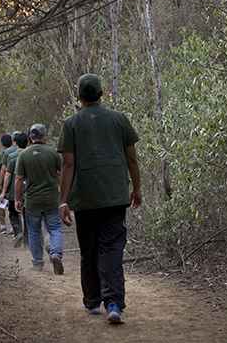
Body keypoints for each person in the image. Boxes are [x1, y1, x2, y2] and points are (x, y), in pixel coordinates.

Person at [58, 74, 141, 324]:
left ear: (80, 97)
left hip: (85, 198)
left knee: (89, 249)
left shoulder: (70, 124)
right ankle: (113, 302)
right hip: (115, 196)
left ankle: (93, 302)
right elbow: (132, 159)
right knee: (112, 249)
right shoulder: (119, 119)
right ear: (102, 95)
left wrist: (63, 201)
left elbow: (68, 163)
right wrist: (136, 188)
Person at [14, 124, 64, 274]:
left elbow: (18, 178)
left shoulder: (23, 155)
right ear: (44, 137)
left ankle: (37, 262)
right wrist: (63, 195)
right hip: (52, 200)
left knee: (34, 231)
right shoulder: (53, 153)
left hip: (33, 201)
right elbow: (61, 174)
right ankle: (55, 254)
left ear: (30, 138)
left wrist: (17, 199)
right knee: (54, 228)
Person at [0, 132, 28, 247]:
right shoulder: (29, 155)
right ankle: (28, 240)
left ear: (15, 142)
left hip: (13, 190)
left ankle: (18, 232)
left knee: (13, 213)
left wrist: (3, 191)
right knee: (28, 215)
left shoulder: (11, 157)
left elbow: (7, 175)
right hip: (28, 190)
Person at [0, 131, 20, 235]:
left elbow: (2, 171)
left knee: (8, 207)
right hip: (25, 187)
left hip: (11, 186)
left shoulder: (7, 154)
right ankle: (16, 229)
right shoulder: (27, 152)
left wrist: (0, 186)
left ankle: (5, 227)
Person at [0, 134, 13, 234]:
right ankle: (14, 228)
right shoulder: (17, 153)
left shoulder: (0, 156)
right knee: (13, 205)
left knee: (1, 205)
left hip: (3, 184)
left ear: (2, 144)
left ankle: (3, 226)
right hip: (14, 184)